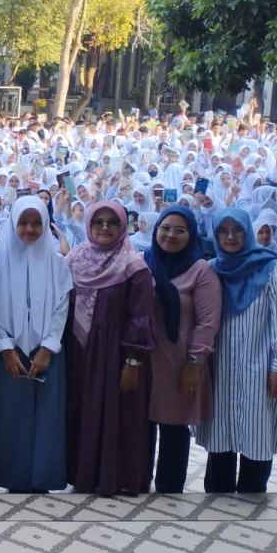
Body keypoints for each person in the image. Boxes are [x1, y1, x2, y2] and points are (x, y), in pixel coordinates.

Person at [196, 208, 277, 493]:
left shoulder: (273, 268)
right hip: (221, 365)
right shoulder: (212, 268)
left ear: (247, 232)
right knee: (220, 429)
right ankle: (218, 492)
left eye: (237, 230)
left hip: (260, 363)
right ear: (215, 235)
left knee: (258, 429)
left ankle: (253, 493)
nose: (231, 237)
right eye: (223, 231)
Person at [64, 200, 156, 496]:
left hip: (117, 355)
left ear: (123, 226)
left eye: (112, 222)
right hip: (80, 353)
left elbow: (141, 317)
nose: (105, 227)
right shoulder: (75, 260)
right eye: (98, 222)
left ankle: (117, 478)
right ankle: (83, 474)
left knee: (117, 414)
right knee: (84, 410)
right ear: (88, 226)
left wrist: (132, 362)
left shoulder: (134, 267)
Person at [0, 196, 73, 493]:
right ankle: (12, 477)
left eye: (37, 222)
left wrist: (48, 347)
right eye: (23, 222)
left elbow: (61, 307)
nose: (30, 228)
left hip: (47, 354)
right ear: (12, 223)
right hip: (8, 353)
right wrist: (6, 347)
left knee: (47, 417)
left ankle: (43, 477)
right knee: (11, 416)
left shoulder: (57, 263)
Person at [144, 207, 221, 494]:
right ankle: (138, 481)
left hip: (180, 363)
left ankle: (169, 489)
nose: (171, 235)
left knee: (174, 428)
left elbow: (208, 321)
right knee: (141, 425)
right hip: (145, 359)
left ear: (191, 234)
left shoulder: (201, 270)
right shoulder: (145, 262)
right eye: (165, 228)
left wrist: (194, 363)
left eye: (180, 230)